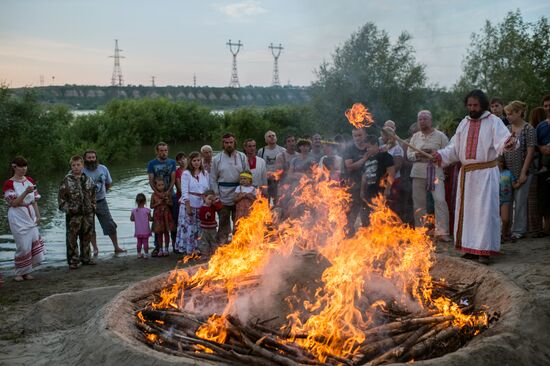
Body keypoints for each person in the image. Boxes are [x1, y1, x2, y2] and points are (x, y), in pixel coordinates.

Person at [433, 89, 517, 265]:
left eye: (475, 105)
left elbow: (503, 140)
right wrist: (440, 155)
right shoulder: (463, 123)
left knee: (485, 212)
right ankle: (469, 248)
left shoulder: (493, 121)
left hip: (486, 174)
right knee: (468, 212)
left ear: (483, 105)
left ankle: (484, 251)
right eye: (469, 105)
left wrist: (509, 142)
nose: (472, 108)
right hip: (468, 176)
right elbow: (454, 149)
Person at [407, 110, 451, 242]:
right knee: (419, 203)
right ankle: (421, 231)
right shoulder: (415, 137)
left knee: (440, 200)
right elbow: (409, 155)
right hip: (418, 173)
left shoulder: (441, 136)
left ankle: (442, 232)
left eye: (424, 119)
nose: (422, 121)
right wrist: (417, 155)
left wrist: (435, 154)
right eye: (420, 119)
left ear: (430, 120)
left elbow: (448, 153)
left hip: (436, 173)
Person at [3, 156, 45, 281]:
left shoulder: (30, 180)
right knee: (23, 245)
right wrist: (26, 192)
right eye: (21, 166)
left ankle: (27, 271)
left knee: (31, 242)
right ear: (14, 167)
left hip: (30, 213)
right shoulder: (9, 183)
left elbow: (34, 200)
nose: (23, 169)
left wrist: (38, 215)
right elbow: (13, 203)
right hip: (17, 215)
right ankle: (19, 272)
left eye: (25, 166)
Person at [503, 101, 536, 240]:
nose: (508, 116)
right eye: (507, 114)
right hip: (507, 172)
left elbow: (530, 151)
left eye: (510, 113)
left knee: (520, 201)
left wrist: (523, 172)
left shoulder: (528, 128)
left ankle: (519, 230)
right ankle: (506, 229)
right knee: (507, 201)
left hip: (524, 170)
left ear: (519, 112)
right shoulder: (506, 129)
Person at [82, 149, 125, 256]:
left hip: (101, 201)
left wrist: (102, 192)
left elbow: (108, 183)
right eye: (89, 157)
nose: (91, 160)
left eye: (93, 157)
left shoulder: (103, 168)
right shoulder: (80, 170)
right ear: (85, 159)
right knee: (90, 227)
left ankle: (116, 247)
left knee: (110, 224)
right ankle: (95, 249)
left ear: (96, 158)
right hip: (86, 203)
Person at [210, 133, 250, 244]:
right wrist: (216, 194)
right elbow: (213, 178)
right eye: (226, 143)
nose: (229, 145)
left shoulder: (242, 156)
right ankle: (222, 244)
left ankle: (238, 242)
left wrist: (245, 192)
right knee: (223, 220)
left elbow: (247, 175)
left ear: (234, 143)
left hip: (239, 193)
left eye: (231, 142)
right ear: (223, 144)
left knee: (238, 221)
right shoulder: (216, 159)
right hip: (223, 194)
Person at [58, 155, 96, 269]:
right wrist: (69, 209)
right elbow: (61, 200)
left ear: (82, 165)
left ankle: (86, 258)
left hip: (88, 214)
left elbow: (93, 195)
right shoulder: (66, 180)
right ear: (71, 166)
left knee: (87, 236)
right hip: (73, 215)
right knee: (72, 238)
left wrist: (93, 207)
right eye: (73, 165)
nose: (76, 167)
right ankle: (73, 261)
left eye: (78, 165)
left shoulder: (88, 179)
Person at [176, 151, 209, 255]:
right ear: (190, 161)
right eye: (194, 160)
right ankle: (189, 249)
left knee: (200, 227)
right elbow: (184, 190)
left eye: (198, 160)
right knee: (189, 227)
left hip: (201, 203)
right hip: (189, 202)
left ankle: (199, 248)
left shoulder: (205, 173)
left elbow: (207, 188)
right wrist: (187, 205)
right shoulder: (186, 173)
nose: (196, 162)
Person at [147, 142, 177, 256]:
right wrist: (157, 194)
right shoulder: (152, 164)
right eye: (161, 150)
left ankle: (174, 245)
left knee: (172, 221)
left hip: (170, 194)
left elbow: (173, 179)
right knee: (158, 222)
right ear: (157, 151)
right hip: (157, 194)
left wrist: (168, 191)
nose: (164, 152)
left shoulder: (172, 162)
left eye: (165, 150)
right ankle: (157, 247)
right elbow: (151, 180)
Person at [360, 135, 395, 225]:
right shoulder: (367, 159)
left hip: (380, 191)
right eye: (366, 148)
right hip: (369, 192)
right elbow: (364, 176)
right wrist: (362, 191)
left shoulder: (385, 156)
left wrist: (388, 189)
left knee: (380, 218)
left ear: (375, 144)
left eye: (368, 147)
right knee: (366, 219)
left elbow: (391, 172)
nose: (367, 150)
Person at [343, 127, 370, 234]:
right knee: (351, 214)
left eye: (360, 135)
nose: (358, 138)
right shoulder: (349, 150)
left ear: (365, 135)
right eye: (355, 136)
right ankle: (349, 236)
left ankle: (367, 237)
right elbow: (349, 167)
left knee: (367, 214)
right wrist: (364, 159)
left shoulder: (370, 147)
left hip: (370, 186)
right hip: (353, 185)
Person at [380, 125, 404, 217]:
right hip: (382, 180)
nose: (381, 138)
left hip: (393, 179)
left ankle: (393, 225)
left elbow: (397, 165)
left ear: (388, 136)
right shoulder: (382, 147)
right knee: (382, 203)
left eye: (382, 136)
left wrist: (387, 173)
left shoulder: (397, 148)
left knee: (391, 203)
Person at [257, 131, 286, 204]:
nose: (272, 137)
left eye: (273, 135)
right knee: (265, 201)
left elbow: (286, 166)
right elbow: (259, 165)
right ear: (265, 140)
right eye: (269, 136)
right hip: (266, 181)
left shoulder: (282, 150)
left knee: (278, 202)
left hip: (278, 181)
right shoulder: (261, 151)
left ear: (276, 137)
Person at [535, 95, 550, 236]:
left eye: (549, 105)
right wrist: (541, 148)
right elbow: (536, 145)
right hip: (545, 166)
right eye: (545, 105)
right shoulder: (541, 126)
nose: (548, 108)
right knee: (545, 196)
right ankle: (546, 228)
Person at [150, 178, 175, 257]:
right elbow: (151, 206)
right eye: (159, 185)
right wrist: (158, 203)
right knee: (159, 233)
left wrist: (167, 201)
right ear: (155, 186)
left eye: (162, 185)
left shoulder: (167, 193)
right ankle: (160, 249)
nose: (161, 187)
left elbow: (171, 204)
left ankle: (166, 249)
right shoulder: (153, 195)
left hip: (166, 214)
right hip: (158, 215)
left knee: (166, 232)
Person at [198, 190, 223, 257]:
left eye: (212, 200)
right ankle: (205, 254)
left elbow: (219, 207)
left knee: (213, 240)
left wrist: (216, 200)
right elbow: (200, 217)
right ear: (204, 198)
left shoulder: (213, 207)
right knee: (204, 241)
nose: (210, 201)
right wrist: (206, 216)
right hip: (204, 228)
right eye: (209, 199)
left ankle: (214, 253)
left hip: (212, 228)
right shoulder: (202, 208)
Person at [498, 157, 516, 242]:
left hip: (506, 200)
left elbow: (514, 185)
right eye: (498, 162)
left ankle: (504, 235)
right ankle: (497, 237)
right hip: (495, 200)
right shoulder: (492, 173)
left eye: (501, 162)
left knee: (505, 220)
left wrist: (521, 181)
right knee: (494, 220)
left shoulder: (508, 173)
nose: (499, 164)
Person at [130, 193, 152, 258]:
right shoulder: (147, 211)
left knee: (139, 242)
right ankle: (146, 254)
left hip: (138, 230)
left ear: (136, 201)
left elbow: (131, 219)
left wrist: (136, 218)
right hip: (145, 230)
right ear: (145, 201)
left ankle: (139, 253)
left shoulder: (134, 211)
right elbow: (150, 219)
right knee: (145, 242)